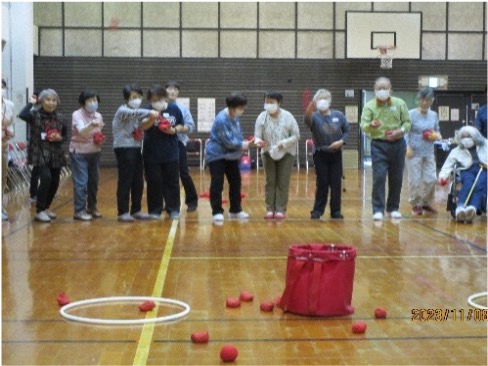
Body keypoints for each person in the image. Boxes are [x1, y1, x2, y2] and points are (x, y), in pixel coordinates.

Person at [360, 77, 411, 221]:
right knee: (379, 176)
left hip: (398, 144)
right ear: (375, 90)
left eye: (385, 87)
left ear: (390, 89)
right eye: (379, 88)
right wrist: (371, 124)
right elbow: (363, 125)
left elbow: (407, 122)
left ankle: (393, 208)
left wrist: (400, 131)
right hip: (378, 145)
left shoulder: (400, 103)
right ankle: (378, 209)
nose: (382, 90)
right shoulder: (370, 106)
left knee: (397, 178)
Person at [18, 89, 67, 223]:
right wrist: (31, 103)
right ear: (41, 101)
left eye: (53, 100)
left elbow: (65, 136)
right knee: (46, 178)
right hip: (39, 152)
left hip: (55, 153)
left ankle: (45, 208)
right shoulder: (34, 115)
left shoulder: (61, 118)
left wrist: (59, 138)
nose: (51, 103)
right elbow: (22, 115)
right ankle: (39, 210)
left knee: (55, 181)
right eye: (48, 100)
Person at [112, 84, 159, 222]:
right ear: (127, 99)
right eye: (134, 97)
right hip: (124, 148)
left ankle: (136, 209)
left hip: (136, 147)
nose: (137, 99)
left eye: (139, 97)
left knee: (138, 180)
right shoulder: (123, 110)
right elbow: (136, 114)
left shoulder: (138, 112)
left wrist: (151, 118)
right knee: (126, 179)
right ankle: (123, 211)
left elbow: (143, 124)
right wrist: (150, 112)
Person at [205, 92, 253, 223]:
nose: (242, 110)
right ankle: (217, 211)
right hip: (217, 155)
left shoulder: (235, 117)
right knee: (217, 183)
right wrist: (245, 144)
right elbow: (228, 141)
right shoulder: (222, 119)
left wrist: (247, 142)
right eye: (240, 108)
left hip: (231, 155)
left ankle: (236, 209)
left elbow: (237, 135)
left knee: (236, 182)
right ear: (232, 107)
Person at [304, 89, 349, 220]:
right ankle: (317, 210)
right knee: (322, 182)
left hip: (336, 154)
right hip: (320, 154)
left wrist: (341, 142)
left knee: (336, 183)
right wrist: (309, 108)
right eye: (319, 99)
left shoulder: (339, 115)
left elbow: (346, 130)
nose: (322, 101)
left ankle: (336, 211)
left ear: (329, 100)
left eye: (325, 98)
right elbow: (307, 120)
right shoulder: (314, 116)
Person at [254, 91, 300, 219]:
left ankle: (280, 209)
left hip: (286, 153)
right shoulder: (261, 117)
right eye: (267, 102)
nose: (269, 104)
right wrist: (258, 142)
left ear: (279, 103)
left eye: (272, 102)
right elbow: (257, 136)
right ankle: (270, 209)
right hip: (268, 152)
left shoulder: (288, 117)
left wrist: (284, 143)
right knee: (270, 181)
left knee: (282, 181)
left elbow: (296, 135)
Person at [141, 85, 184, 220]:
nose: (156, 102)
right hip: (151, 153)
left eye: (159, 99)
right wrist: (152, 118)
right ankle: (155, 210)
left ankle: (173, 209)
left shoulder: (174, 108)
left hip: (171, 153)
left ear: (165, 98)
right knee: (154, 182)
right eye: (153, 100)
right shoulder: (147, 110)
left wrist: (173, 130)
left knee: (172, 182)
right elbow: (143, 126)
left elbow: (181, 124)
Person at [438, 126, 487, 223]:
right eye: (463, 137)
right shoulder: (457, 150)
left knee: (480, 183)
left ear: (475, 136)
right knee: (468, 182)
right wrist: (443, 177)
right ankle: (460, 207)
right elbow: (448, 164)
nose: (466, 139)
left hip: (483, 169)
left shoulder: (485, 145)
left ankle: (473, 208)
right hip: (466, 170)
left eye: (468, 136)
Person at [69, 89, 105, 221]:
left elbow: (96, 133)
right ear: (83, 102)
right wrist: (91, 125)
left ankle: (92, 207)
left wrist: (99, 138)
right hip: (79, 153)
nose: (93, 103)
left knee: (93, 182)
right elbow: (83, 132)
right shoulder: (77, 114)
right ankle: (79, 210)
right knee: (81, 182)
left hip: (94, 152)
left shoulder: (99, 116)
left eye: (95, 100)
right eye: (89, 100)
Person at [405, 87, 442, 215]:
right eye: (422, 100)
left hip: (429, 152)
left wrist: (436, 136)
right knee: (414, 181)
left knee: (432, 179)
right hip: (413, 152)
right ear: (418, 100)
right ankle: (415, 204)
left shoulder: (434, 115)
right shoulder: (411, 114)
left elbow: (438, 131)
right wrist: (407, 147)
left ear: (432, 101)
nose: (425, 103)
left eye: (428, 100)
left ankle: (425, 203)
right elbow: (405, 132)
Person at [165, 81, 199, 212]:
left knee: (183, 173)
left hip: (178, 143)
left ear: (178, 92)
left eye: (175, 89)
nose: (172, 92)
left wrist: (176, 129)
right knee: (167, 175)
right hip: (164, 145)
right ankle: (170, 203)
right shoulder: (161, 107)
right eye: (170, 89)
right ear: (165, 90)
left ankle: (192, 200)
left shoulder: (183, 109)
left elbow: (190, 126)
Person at [18, 89, 42, 204]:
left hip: (48, 146)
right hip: (36, 146)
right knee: (36, 170)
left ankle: (43, 192)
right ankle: (33, 194)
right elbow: (22, 114)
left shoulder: (48, 112)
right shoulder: (33, 112)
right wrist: (30, 103)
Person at [2, 77, 15, 221]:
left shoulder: (9, 105)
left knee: (2, 175)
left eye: (2, 86)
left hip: (3, 145)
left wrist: (8, 134)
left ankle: (1, 205)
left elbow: (10, 124)